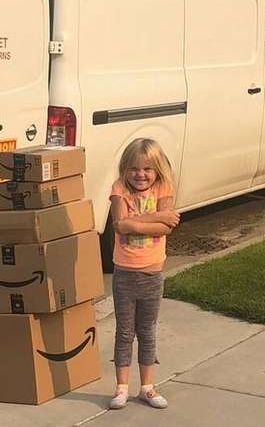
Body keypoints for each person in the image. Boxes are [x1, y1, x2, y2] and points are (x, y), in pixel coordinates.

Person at [107, 138, 180, 410]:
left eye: (147, 169)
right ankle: (121, 388)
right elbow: (120, 225)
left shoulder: (164, 187)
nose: (140, 174)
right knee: (125, 332)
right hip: (124, 273)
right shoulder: (118, 189)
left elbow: (167, 228)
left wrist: (133, 222)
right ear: (125, 169)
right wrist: (155, 217)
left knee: (147, 331)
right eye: (134, 169)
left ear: (157, 170)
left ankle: (147, 387)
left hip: (152, 273)